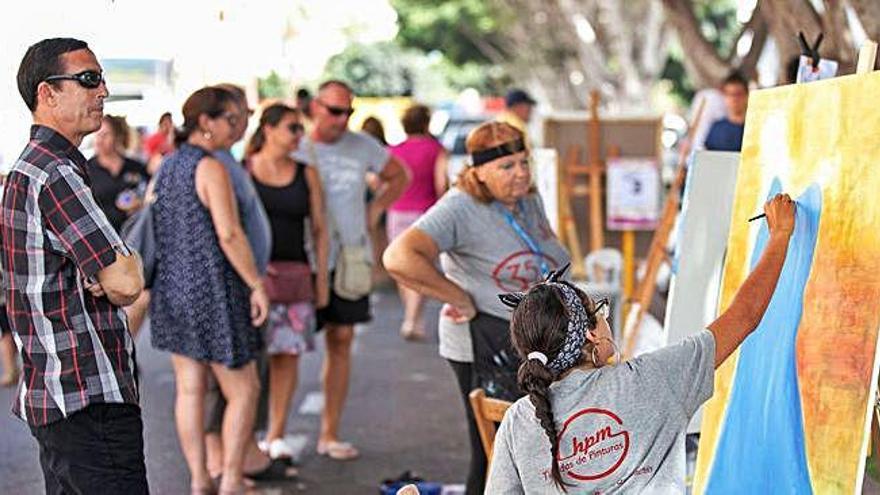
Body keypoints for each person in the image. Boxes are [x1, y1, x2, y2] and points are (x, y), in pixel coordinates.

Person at [485, 195, 796, 493]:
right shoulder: (651, 380)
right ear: (591, 334)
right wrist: (781, 234)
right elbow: (744, 317)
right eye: (600, 311)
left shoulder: (518, 421)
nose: (606, 318)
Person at [383, 121, 570, 494]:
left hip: (534, 341)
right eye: (506, 167)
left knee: (533, 448)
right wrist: (457, 296)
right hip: (485, 341)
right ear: (478, 171)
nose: (519, 174)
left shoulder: (527, 198)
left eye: (523, 162)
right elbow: (399, 256)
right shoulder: (459, 207)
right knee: (494, 450)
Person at [2, 38, 147, 493]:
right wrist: (123, 265)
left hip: (59, 393)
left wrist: (107, 271)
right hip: (88, 394)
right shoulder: (56, 171)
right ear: (47, 93)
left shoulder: (30, 167)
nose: (102, 90)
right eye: (88, 80)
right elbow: (126, 284)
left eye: (101, 79)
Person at [149, 86, 269, 494]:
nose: (236, 130)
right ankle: (231, 479)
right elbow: (230, 233)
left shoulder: (168, 166)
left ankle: (200, 480)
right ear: (206, 122)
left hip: (173, 290)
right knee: (245, 388)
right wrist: (256, 283)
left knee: (189, 389)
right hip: (214, 292)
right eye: (231, 121)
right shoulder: (211, 167)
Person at [291, 80, 409, 460]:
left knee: (340, 341)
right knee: (283, 348)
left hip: (348, 258)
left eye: (349, 112)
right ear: (315, 109)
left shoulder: (363, 146)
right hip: (300, 257)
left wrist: (375, 210)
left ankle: (329, 432)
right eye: (335, 111)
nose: (342, 120)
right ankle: (272, 435)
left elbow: (399, 176)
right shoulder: (293, 144)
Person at [245, 103, 330, 461]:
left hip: (295, 276)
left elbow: (320, 230)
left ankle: (276, 434)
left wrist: (322, 278)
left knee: (287, 358)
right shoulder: (242, 171)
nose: (300, 135)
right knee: (247, 363)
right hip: (251, 279)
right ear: (268, 129)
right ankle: (246, 438)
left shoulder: (305, 173)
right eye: (293, 128)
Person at [387, 104, 448, 340]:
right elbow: (441, 184)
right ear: (426, 123)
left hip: (397, 213)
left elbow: (377, 181)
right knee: (422, 265)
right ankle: (413, 319)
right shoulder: (437, 149)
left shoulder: (393, 150)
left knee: (402, 266)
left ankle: (412, 317)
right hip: (426, 214)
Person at [87, 115, 150, 232]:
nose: (100, 140)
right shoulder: (87, 169)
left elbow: (150, 194)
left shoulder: (135, 167)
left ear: (117, 137)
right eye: (97, 135)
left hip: (136, 234)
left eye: (105, 135)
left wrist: (140, 203)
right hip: (103, 237)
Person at [704, 72, 749, 152]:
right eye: (730, 94)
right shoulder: (716, 128)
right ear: (724, 96)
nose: (734, 99)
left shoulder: (756, 128)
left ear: (747, 95)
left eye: (738, 94)